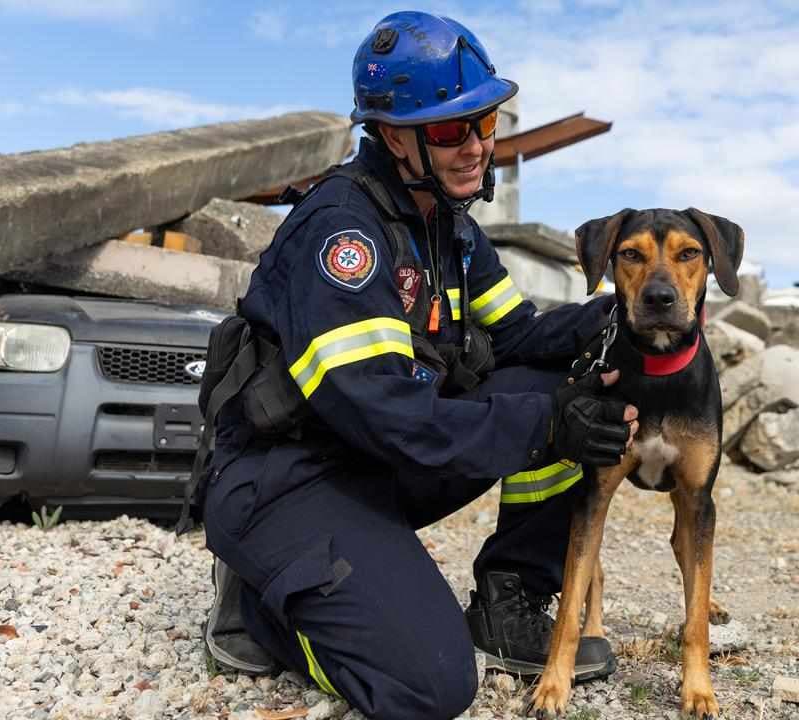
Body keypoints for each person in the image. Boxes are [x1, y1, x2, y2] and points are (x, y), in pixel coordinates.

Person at [200, 11, 637, 719]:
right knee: (429, 687)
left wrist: (623, 317)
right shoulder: (345, 234)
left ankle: (510, 598)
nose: (474, 146)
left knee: (571, 379)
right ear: (393, 135)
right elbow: (385, 414)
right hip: (287, 480)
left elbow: (524, 339)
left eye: (485, 122)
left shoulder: (451, 229)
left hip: (374, 463)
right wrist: (544, 428)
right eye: (448, 130)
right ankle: (260, 604)